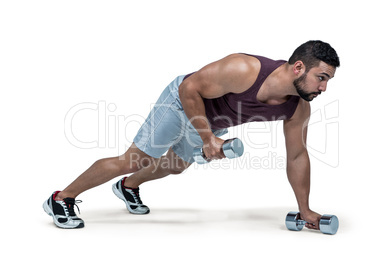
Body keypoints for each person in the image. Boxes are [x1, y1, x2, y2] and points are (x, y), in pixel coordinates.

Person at [43, 40, 340, 229]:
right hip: (182, 101)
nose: (323, 88)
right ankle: (61, 197)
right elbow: (190, 89)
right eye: (321, 78)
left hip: (214, 120)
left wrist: (305, 210)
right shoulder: (245, 68)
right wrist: (209, 139)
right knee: (135, 159)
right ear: (299, 67)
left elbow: (298, 156)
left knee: (176, 166)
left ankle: (127, 187)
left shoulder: (297, 109)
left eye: (328, 81)